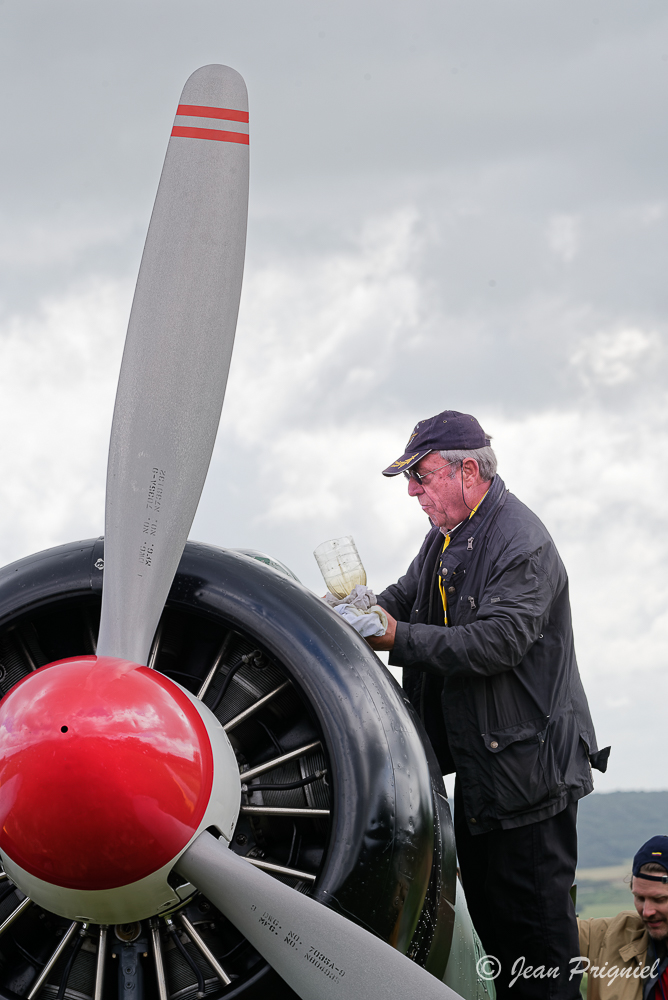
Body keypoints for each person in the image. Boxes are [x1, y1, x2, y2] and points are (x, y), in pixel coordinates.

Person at [367, 408, 609, 1000]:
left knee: (540, 958)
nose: (414, 494)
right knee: (504, 953)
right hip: (486, 780)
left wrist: (394, 636)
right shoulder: (448, 534)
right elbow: (405, 598)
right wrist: (347, 613)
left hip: (529, 787)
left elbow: (495, 642)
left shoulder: (521, 542)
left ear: (467, 470)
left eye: (421, 478)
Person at [577, 836, 668, 1000]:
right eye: (640, 898)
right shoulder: (612, 935)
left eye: (660, 900)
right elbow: (548, 928)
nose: (646, 912)